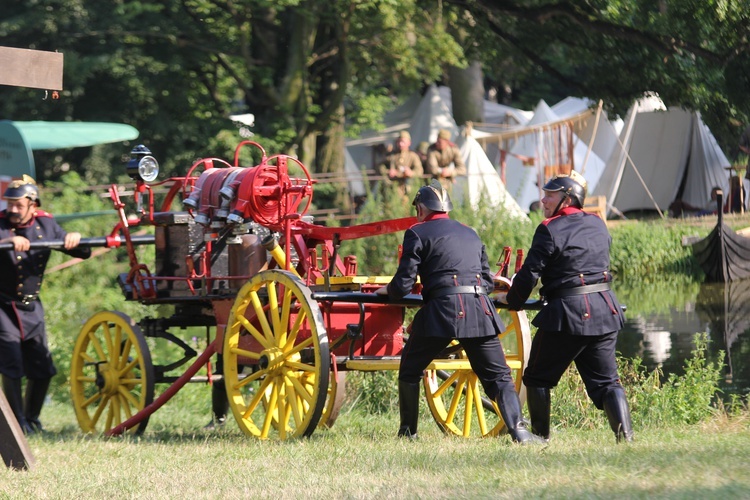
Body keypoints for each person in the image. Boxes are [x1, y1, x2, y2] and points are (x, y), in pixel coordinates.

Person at [376, 181, 542, 444]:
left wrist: (387, 292)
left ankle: (408, 432)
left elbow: (403, 284)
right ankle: (519, 431)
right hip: (479, 311)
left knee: (410, 369)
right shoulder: (471, 233)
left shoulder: (416, 233)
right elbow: (487, 282)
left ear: (420, 208)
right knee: (499, 377)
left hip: (441, 313)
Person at [497, 171, 633, 444]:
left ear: (567, 198)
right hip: (606, 309)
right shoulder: (598, 223)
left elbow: (529, 275)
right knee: (608, 383)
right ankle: (626, 439)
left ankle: (540, 438)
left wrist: (510, 300)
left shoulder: (549, 228)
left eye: (550, 195)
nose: (544, 200)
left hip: (568, 314)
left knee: (536, 378)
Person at [0, 175, 91, 434]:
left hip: (31, 306)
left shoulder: (46, 224)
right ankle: (17, 424)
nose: (12, 210)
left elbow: (84, 252)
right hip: (2, 306)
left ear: (33, 205)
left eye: (18, 205)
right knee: (12, 365)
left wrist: (74, 238)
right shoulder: (1, 224)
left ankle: (32, 418)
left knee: (42, 368)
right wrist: (8, 242)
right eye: (10, 204)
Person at [379, 131, 424, 200]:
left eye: (403, 142)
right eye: (399, 141)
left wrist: (411, 173)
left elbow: (419, 170)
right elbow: (380, 165)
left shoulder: (413, 156)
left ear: (409, 143)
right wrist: (388, 171)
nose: (400, 144)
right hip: (392, 188)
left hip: (407, 189)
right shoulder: (391, 155)